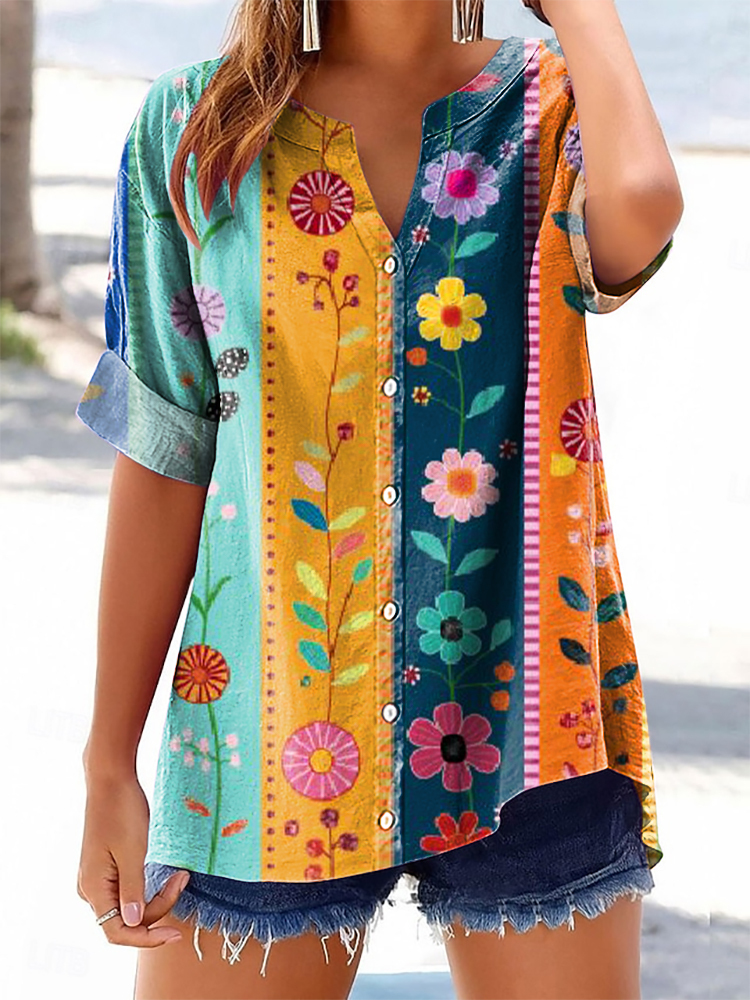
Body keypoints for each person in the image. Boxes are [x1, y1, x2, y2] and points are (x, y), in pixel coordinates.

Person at [75, 0, 683, 997]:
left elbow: (643, 210)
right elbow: (162, 450)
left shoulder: (557, 108)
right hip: (260, 735)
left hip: (533, 731)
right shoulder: (191, 130)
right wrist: (109, 762)